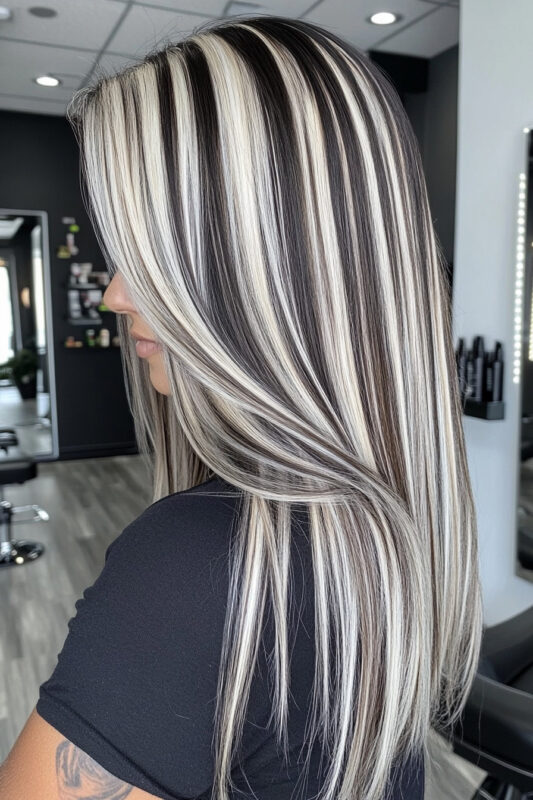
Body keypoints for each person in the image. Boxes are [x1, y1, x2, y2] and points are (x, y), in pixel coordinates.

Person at [0, 13, 483, 800]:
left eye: (150, 257)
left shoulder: (198, 564)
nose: (118, 297)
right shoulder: (381, 521)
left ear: (259, 271)